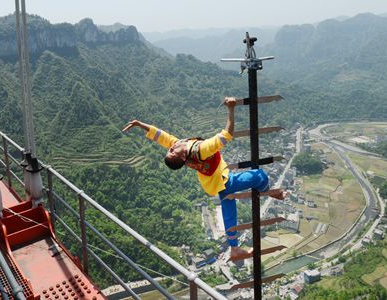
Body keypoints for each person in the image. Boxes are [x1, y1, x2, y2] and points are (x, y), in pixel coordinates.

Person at [123, 97, 287, 259]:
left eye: (169, 151)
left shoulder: (179, 145)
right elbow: (226, 135)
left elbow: (161, 136)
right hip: (222, 180)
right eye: (171, 152)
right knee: (260, 176)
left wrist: (139, 124)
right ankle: (269, 192)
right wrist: (231, 108)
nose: (170, 148)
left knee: (229, 207)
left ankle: (234, 248)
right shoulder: (200, 150)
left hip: (213, 183)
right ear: (181, 159)